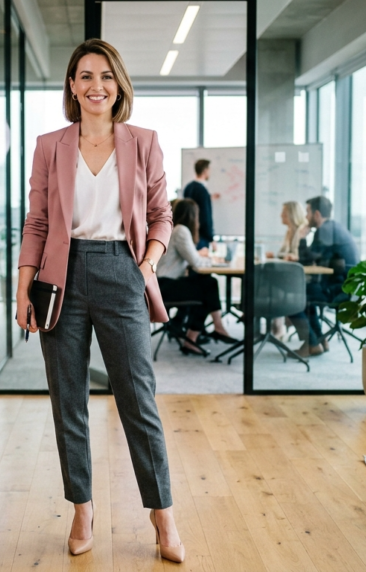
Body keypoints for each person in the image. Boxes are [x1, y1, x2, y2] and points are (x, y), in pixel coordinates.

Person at [16, 39, 184, 562]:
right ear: (72, 85)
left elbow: (161, 216)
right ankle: (82, 508)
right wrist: (23, 288)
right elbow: (37, 223)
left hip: (121, 270)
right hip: (59, 278)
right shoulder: (50, 146)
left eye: (106, 76)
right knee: (69, 400)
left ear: (119, 85)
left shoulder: (143, 142)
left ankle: (163, 514)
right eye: (86, 76)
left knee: (138, 399)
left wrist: (146, 265)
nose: (97, 86)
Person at [156, 199, 238, 356]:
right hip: (166, 285)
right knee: (208, 287)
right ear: (192, 215)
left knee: (208, 283)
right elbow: (195, 261)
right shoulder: (181, 231)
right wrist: (214, 260)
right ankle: (211, 330)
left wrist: (202, 256)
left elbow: (190, 257)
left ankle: (204, 333)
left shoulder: (175, 229)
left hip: (164, 283)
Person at [285, 196, 358, 357]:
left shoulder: (324, 230)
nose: (305, 216)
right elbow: (314, 257)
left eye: (308, 212)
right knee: (305, 293)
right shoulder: (333, 228)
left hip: (338, 290)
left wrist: (302, 238)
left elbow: (307, 259)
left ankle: (311, 343)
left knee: (291, 298)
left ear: (316, 214)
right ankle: (318, 340)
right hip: (343, 287)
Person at [269, 200, 309, 339]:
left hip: (300, 276)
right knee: (269, 280)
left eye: (284, 212)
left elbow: (301, 256)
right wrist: (275, 256)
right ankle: (278, 323)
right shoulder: (289, 232)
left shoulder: (302, 231)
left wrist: (290, 257)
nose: (281, 215)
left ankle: (279, 325)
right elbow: (284, 253)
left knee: (273, 284)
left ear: (292, 214)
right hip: (289, 273)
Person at [181, 159, 217, 250]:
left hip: (189, 233)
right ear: (205, 171)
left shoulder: (188, 187)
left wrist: (209, 198)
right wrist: (211, 238)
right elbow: (205, 217)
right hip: (201, 236)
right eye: (209, 170)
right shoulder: (202, 191)